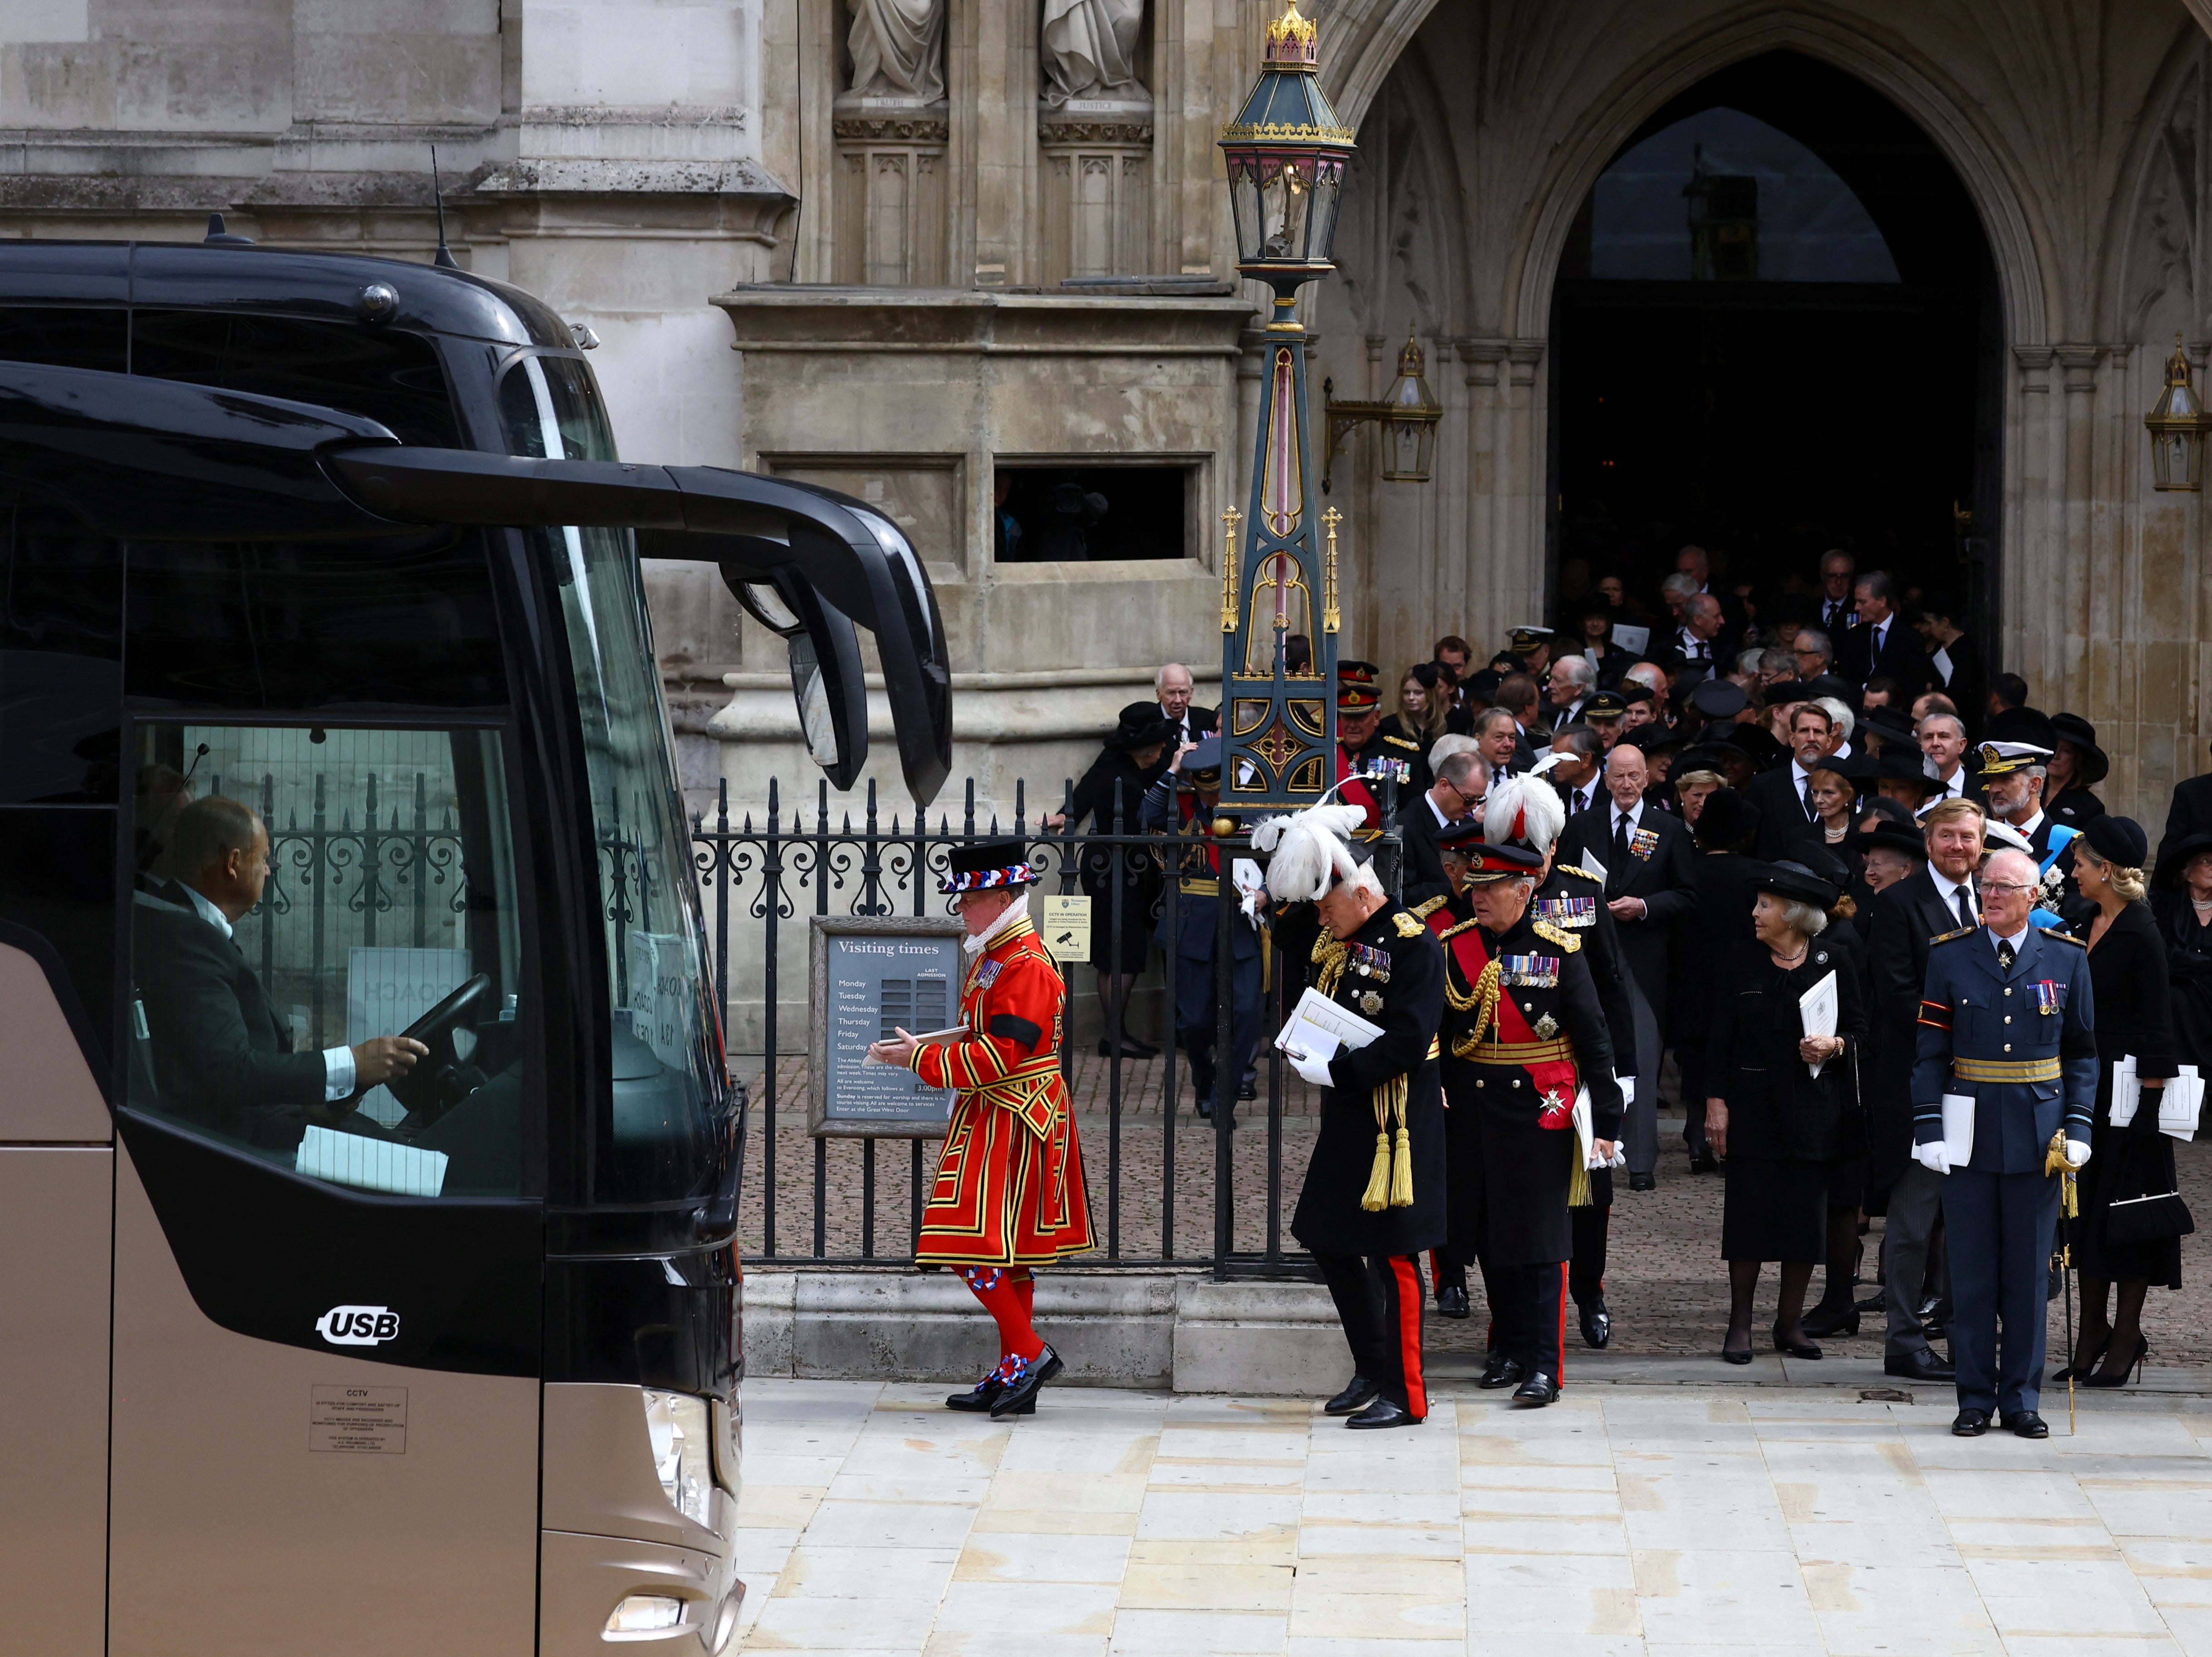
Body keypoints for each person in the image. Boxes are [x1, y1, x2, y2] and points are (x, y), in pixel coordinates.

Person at [875, 840, 1095, 1418]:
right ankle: (1012, 1372)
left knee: (964, 1241)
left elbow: (1001, 1054)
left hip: (1013, 1112)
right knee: (1007, 1253)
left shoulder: (1023, 960)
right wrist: (931, 1046)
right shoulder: (999, 951)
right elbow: (984, 1033)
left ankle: (1030, 1352)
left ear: (1002, 897)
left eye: (969, 899)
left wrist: (918, 1063)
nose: (962, 909)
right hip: (996, 1110)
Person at [1268, 803, 1448, 1429]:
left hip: (1396, 1118)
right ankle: (1372, 1365)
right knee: (1325, 1234)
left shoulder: (1412, 944)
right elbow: (1290, 929)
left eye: (1327, 904)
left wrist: (1337, 1069)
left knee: (1395, 1255)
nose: (1321, 916)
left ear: (1361, 893)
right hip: (1349, 1113)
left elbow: (1407, 1039)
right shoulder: (1344, 933)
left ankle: (1406, 1391)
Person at [1912, 846, 2096, 1439]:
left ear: (2031, 898)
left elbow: (2082, 1053)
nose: (1990, 895)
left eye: (2003, 887)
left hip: (2037, 1135)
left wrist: (2081, 1126)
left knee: (2026, 1273)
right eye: (1985, 885)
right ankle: (1973, 1397)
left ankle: (2019, 1396)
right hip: (1967, 1132)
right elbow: (1929, 1055)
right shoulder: (1950, 957)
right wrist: (1928, 1130)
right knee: (1969, 1273)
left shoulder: (2065, 960)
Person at [133, 796, 427, 1147]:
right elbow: (230, 1071)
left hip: (254, 1121)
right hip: (232, 1144)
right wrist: (352, 1063)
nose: (269, 871)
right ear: (234, 863)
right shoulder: (185, 937)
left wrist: (307, 1105)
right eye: (265, 858)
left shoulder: (191, 928)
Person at [1440, 839, 1622, 1404]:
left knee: (1541, 1242)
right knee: (1490, 1238)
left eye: (1491, 889)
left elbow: (1592, 1038)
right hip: (1472, 1112)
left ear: (1525, 891)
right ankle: (1510, 1346)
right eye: (1474, 888)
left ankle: (1544, 1365)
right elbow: (1439, 1034)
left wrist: (1607, 1122)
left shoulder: (1559, 950)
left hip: (1539, 1112)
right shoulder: (1453, 947)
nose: (1479, 898)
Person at [1484, 770, 1639, 1351]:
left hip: (1577, 1068)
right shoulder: (1489, 893)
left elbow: (1610, 983)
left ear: (1554, 846)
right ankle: (1517, 1319)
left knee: (1590, 1196)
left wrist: (1621, 1071)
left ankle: (1589, 1293)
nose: (1532, 862)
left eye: (1538, 851)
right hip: (1511, 1069)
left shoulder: (1581, 892)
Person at [1706, 859, 1867, 1362]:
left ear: (1794, 913)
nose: (1755, 912)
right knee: (1748, 1220)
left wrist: (1835, 1044)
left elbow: (1863, 1030)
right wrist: (1715, 1104)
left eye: (1765, 905)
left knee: (1803, 1221)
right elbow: (1717, 1041)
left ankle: (1789, 1322)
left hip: (1814, 1110)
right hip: (1752, 1107)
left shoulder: (1834, 960)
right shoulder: (1739, 959)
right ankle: (1739, 1326)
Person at [1865, 798, 1988, 1385]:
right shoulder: (1896, 905)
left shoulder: (1998, 902)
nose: (1957, 846)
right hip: (1924, 1086)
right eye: (1946, 836)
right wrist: (1971, 1030)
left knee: (1975, 1221)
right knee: (1913, 1223)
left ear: (1981, 842)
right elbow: (1896, 994)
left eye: (1967, 837)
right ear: (1928, 841)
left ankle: (1970, 1339)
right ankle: (1902, 1340)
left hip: (1992, 1092)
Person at [2058, 816, 2179, 1390]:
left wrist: (2147, 1112)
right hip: (2083, 1086)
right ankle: (2090, 1331)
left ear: (2105, 869)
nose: (2072, 870)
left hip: (2130, 1097)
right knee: (2082, 1218)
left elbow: (2159, 1024)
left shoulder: (2141, 931)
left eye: (2079, 862)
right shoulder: (2081, 919)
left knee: (2125, 1216)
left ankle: (2126, 1333)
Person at [1555, 742, 1696, 1189]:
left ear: (1647, 778)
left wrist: (1644, 905)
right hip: (1588, 957)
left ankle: (1638, 1162)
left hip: (1642, 960)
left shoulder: (1667, 828)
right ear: (1605, 776)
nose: (1626, 784)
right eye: (1617, 775)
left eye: (1634, 775)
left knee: (1640, 1056)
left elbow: (1688, 895)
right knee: (1588, 1052)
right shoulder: (1582, 824)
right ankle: (1587, 1149)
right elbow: (1559, 886)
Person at [1139, 738, 1261, 1119]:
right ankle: (1205, 1079)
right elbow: (1147, 815)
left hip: (1242, 919)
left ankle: (1228, 1088)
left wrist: (1268, 894)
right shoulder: (1184, 805)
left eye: (1218, 789)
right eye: (1206, 790)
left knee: (1246, 1012)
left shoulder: (1252, 807)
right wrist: (1173, 770)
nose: (1212, 797)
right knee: (1194, 1021)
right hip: (1192, 922)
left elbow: (1283, 851)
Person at [1047, 700, 1175, 1057]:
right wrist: (1065, 815)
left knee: (1120, 951)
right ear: (1147, 748)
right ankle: (1113, 1036)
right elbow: (1131, 810)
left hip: (1128, 871)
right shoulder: (1123, 777)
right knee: (1120, 952)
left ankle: (1115, 1033)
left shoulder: (1132, 764)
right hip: (1112, 871)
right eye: (1160, 745)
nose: (1165, 749)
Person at [1672, 789, 1761, 1173]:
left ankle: (1698, 1138)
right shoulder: (1756, 876)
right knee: (1736, 1057)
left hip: (1692, 980)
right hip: (1743, 981)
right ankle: (1732, 1141)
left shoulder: (1686, 871)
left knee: (1695, 1058)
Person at [1336, 660, 1424, 827]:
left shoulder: (1403, 755)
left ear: (1376, 718)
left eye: (1360, 718)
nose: (1353, 725)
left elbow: (1413, 809)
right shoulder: (1328, 754)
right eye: (1348, 718)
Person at [1748, 704, 1839, 859]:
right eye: (1804, 731)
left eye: (1818, 732)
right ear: (1792, 738)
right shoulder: (1763, 785)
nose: (1811, 738)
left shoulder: (1843, 786)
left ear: (1829, 741)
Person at [1400, 750, 1488, 908]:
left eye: (1479, 800)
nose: (1474, 807)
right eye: (1469, 800)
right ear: (1444, 785)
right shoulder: (1404, 827)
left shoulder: (1471, 827)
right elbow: (1402, 893)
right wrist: (1457, 889)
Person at [1841, 571, 1928, 696]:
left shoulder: (1911, 638)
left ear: (1882, 601)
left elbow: (1915, 686)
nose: (1857, 607)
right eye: (1856, 601)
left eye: (1863, 602)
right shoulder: (1854, 636)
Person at [2045, 713, 2109, 830]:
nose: (2056, 756)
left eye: (2066, 751)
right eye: (2054, 746)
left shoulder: (2090, 807)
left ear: (2078, 759)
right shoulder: (2030, 790)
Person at [1383, 662, 1451, 758]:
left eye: (1418, 693)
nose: (1411, 698)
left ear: (1431, 695)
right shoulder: (1389, 726)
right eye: (1407, 693)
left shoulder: (1442, 727)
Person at [1919, 711, 1978, 806]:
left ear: (1961, 745)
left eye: (1944, 737)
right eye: (1929, 737)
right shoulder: (1910, 787)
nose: (1935, 743)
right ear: (1920, 744)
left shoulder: (1982, 789)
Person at [1547, 725, 1605, 819]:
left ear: (1586, 759)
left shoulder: (1613, 794)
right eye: (1552, 754)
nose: (1554, 763)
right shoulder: (1550, 791)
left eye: (1561, 757)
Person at [1154, 662, 1216, 745]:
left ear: (1191, 693)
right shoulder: (1148, 725)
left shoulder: (1209, 720)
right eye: (1171, 693)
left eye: (1183, 692)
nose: (1178, 700)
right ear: (1159, 694)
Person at [1546, 653, 1597, 727]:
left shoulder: (1591, 717)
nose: (1550, 685)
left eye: (1558, 680)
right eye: (1551, 678)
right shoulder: (1547, 712)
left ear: (1579, 688)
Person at [1816, 549, 1857, 635]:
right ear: (1823, 576)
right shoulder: (1811, 609)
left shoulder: (1858, 610)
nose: (1839, 583)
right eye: (1833, 576)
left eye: (1844, 576)